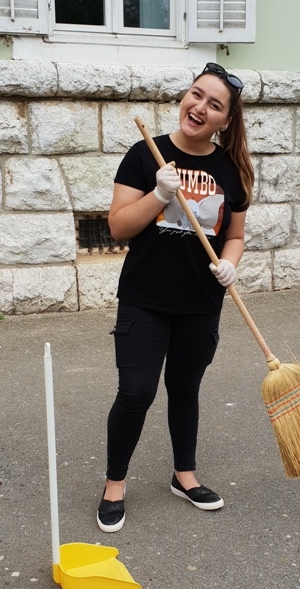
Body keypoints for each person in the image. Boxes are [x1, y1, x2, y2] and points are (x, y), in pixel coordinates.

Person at [97, 63, 254, 532]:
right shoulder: (145, 155)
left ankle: (184, 476)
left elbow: (235, 236)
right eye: (196, 95)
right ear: (185, 97)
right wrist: (157, 195)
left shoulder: (231, 170)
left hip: (201, 302)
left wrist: (230, 263)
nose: (200, 107)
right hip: (145, 297)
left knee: (185, 389)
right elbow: (118, 226)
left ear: (225, 120)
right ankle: (114, 484)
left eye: (214, 104)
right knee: (136, 391)